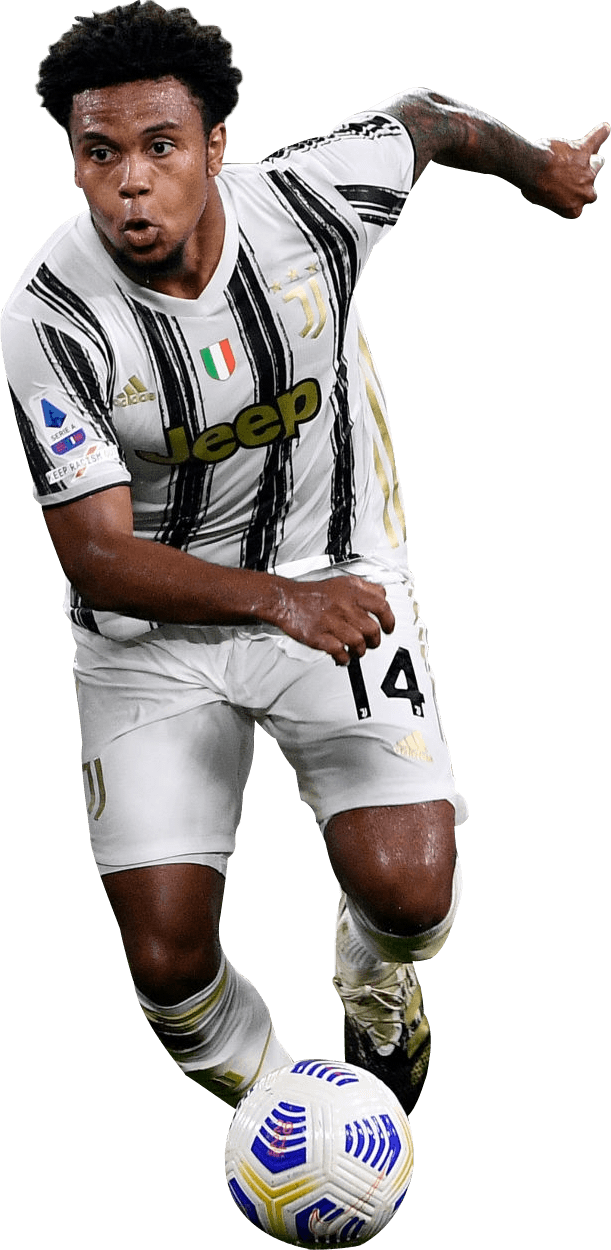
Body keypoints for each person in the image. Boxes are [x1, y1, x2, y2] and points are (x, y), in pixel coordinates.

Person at [2, 2, 606, 1115]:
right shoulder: (49, 315)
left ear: (215, 145)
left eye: (161, 146)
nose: (130, 183)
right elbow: (98, 558)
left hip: (335, 567)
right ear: (75, 162)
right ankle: (289, 1114)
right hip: (151, 638)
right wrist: (279, 602)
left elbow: (425, 120)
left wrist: (535, 169)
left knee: (410, 901)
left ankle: (372, 978)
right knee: (167, 969)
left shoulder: (308, 205)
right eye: (100, 153)